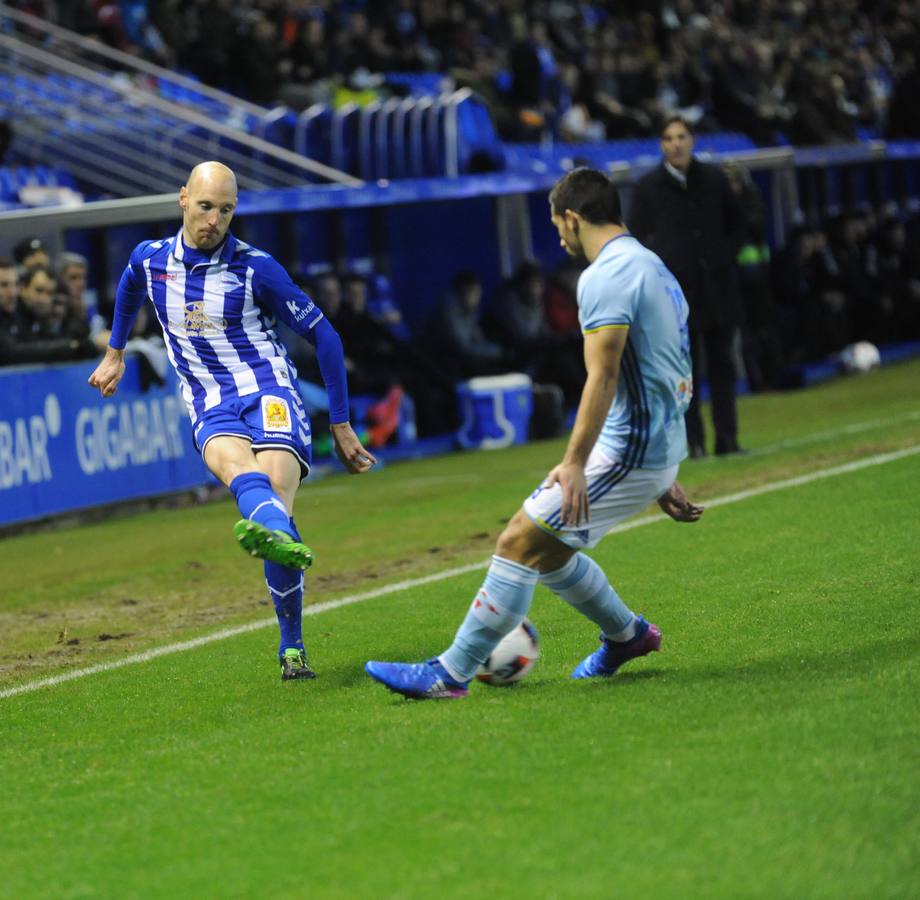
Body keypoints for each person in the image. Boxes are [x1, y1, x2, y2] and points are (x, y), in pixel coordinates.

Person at [366, 167, 704, 700]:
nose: (559, 237)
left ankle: (448, 675)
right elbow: (669, 360)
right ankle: (628, 636)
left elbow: (605, 373)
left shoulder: (605, 275)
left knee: (518, 542)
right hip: (650, 444)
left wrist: (576, 461)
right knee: (551, 553)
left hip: (633, 446)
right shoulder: (651, 265)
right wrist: (662, 467)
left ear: (573, 217)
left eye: (557, 225)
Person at [87, 161, 376, 681]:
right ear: (182, 200)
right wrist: (115, 351)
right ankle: (281, 582)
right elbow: (130, 286)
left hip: (270, 393)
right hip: (208, 402)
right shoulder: (151, 260)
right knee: (241, 476)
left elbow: (325, 337)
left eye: (225, 210)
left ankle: (291, 641)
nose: (213, 220)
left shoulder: (255, 268)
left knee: (272, 494)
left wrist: (340, 422)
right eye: (204, 207)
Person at [626, 115, 745, 457]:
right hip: (675, 297)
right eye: (668, 138)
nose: (675, 144)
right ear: (661, 145)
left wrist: (725, 257)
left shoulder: (714, 179)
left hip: (718, 290)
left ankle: (728, 439)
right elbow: (636, 236)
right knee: (684, 375)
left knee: (723, 366)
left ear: (692, 140)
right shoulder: (648, 187)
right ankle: (693, 443)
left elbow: (739, 223)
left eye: (681, 136)